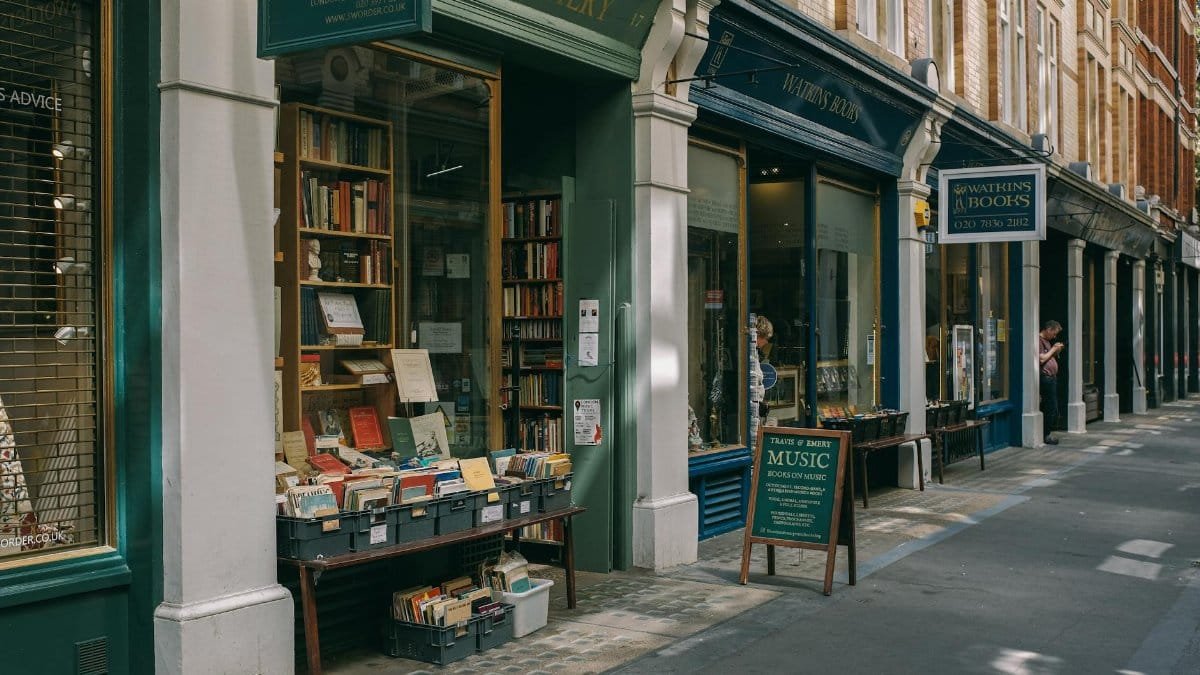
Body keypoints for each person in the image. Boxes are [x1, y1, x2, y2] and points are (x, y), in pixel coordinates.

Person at [1038, 320, 1065, 445]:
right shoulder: (1038, 341)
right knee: (1050, 407)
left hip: (1052, 379)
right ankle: (1045, 434)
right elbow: (1041, 358)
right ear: (1048, 329)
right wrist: (1054, 349)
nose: (1054, 337)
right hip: (1046, 378)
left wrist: (1056, 351)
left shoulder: (1047, 342)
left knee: (1052, 407)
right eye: (1054, 333)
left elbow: (1048, 357)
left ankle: (1046, 432)